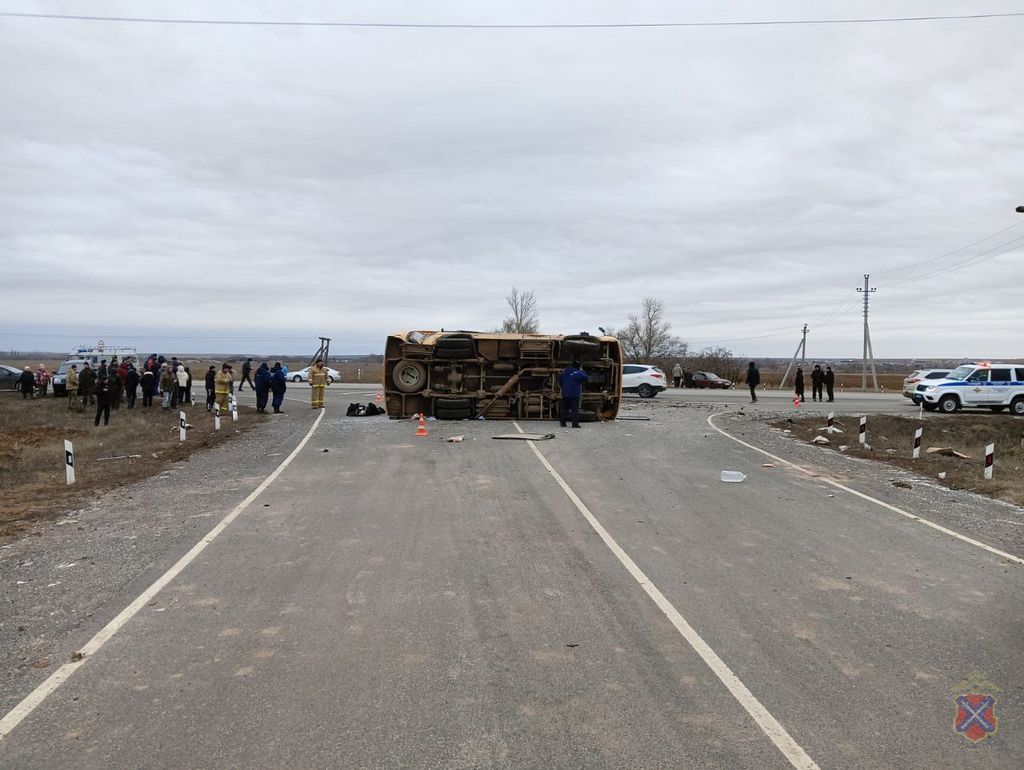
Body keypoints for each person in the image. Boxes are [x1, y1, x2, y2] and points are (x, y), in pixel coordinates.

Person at [558, 359, 589, 428]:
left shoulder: (564, 372)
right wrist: (581, 370)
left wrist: (564, 388)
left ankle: (563, 423)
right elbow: (586, 378)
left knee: (564, 409)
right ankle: (575, 424)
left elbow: (560, 382)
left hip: (565, 394)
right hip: (574, 394)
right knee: (574, 410)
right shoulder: (578, 373)